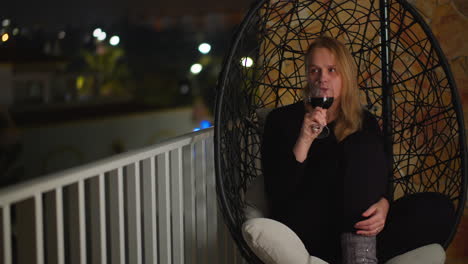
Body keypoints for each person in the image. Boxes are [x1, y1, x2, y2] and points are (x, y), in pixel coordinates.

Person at [260, 36, 454, 264]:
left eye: (332, 70)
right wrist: (304, 138)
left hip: (357, 229)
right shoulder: (281, 120)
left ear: (345, 76)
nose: (322, 79)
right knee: (359, 145)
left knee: (438, 209)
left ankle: (360, 254)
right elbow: (279, 192)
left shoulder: (364, 121)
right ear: (307, 76)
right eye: (315, 71)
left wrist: (383, 205)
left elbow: (382, 179)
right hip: (311, 226)